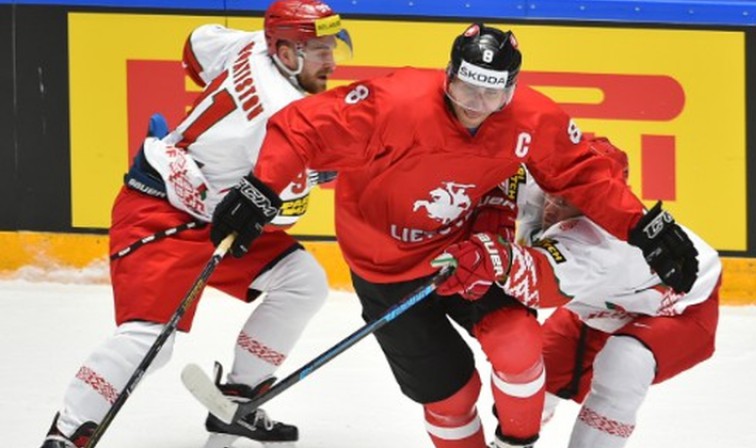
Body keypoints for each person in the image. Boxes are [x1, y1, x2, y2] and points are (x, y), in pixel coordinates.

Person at [204, 21, 701, 448]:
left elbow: (584, 174)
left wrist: (644, 226)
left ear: (511, 90)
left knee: (517, 342)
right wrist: (260, 188)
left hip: (466, 250)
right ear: (448, 76)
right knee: (450, 396)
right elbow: (300, 128)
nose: (476, 106)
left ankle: (518, 443)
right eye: (466, 90)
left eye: (492, 94)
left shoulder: (532, 119)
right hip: (383, 269)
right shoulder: (394, 102)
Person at [39, 1, 352, 447]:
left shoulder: (253, 45)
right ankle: (67, 433)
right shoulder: (287, 118)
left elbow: (196, 45)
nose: (332, 63)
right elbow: (285, 212)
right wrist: (315, 170)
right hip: (160, 211)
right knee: (150, 339)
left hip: (215, 209)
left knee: (303, 282)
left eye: (332, 48)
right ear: (287, 54)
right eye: (321, 51)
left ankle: (239, 398)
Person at [439, 138, 722, 448]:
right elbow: (493, 171)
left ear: (599, 201)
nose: (550, 204)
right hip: (601, 303)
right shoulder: (547, 185)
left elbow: (539, 282)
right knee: (534, 381)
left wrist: (493, 258)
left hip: (682, 308)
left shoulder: (605, 243)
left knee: (624, 364)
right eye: (553, 190)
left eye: (567, 199)